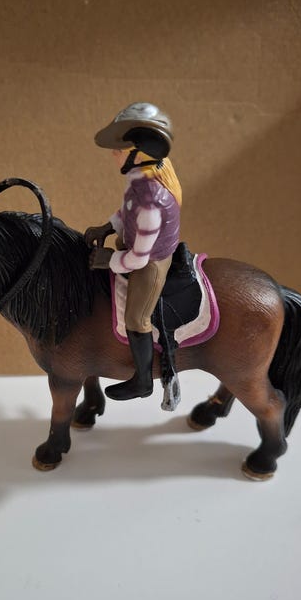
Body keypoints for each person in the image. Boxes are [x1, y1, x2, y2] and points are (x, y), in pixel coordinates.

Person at [85, 102, 182, 400]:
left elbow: (139, 257)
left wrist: (110, 259)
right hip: (135, 244)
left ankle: (143, 381)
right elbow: (126, 212)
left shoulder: (151, 200)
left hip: (150, 262)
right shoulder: (141, 180)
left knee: (136, 319)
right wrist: (107, 227)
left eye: (119, 149)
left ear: (139, 154)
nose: (113, 154)